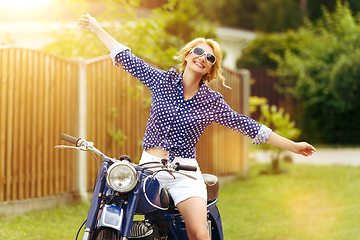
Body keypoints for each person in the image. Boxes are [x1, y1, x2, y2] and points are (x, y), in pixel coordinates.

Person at [79, 13, 316, 240]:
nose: (203, 57)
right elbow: (126, 57)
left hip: (184, 173)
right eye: (199, 51)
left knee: (200, 234)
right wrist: (97, 27)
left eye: (210, 58)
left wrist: (293, 146)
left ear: (211, 69)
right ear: (187, 55)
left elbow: (248, 126)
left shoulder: (211, 101)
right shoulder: (162, 81)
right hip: (148, 170)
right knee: (116, 215)